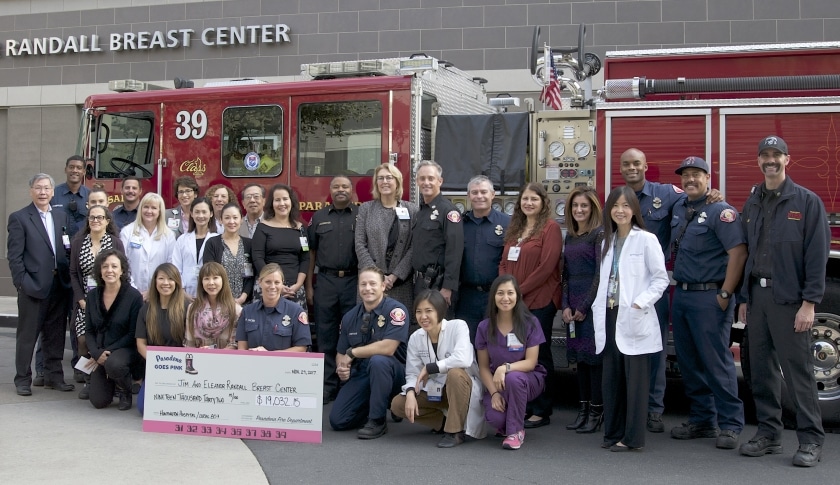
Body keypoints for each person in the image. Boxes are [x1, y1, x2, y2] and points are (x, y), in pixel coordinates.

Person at [738, 135, 829, 467]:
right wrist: (745, 298)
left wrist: (810, 303)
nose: (770, 160)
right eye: (765, 155)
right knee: (760, 371)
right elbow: (747, 251)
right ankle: (769, 434)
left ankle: (810, 441)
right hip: (758, 297)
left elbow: (817, 255)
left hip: (790, 300)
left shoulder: (806, 202)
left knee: (798, 372)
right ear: (759, 160)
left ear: (787, 159)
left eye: (777, 154)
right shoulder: (753, 201)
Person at [668, 156, 747, 449]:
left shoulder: (721, 212)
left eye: (696, 175)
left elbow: (737, 254)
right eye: (685, 175)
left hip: (710, 297)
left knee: (716, 362)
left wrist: (726, 294)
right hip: (684, 295)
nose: (690, 180)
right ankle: (702, 420)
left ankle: (730, 424)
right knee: (688, 363)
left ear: (708, 178)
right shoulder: (681, 207)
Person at [593, 186, 669, 452]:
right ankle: (612, 433)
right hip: (610, 315)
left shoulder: (646, 239)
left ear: (634, 209)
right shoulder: (607, 241)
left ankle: (633, 438)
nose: (620, 211)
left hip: (634, 315)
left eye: (626, 206)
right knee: (611, 379)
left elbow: (661, 279)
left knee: (634, 382)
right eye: (615, 206)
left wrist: (640, 302)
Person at [498, 183, 562, 429]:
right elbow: (503, 262)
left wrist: (515, 292)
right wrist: (505, 289)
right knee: (519, 354)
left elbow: (546, 267)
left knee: (540, 356)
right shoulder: (516, 228)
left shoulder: (551, 228)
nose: (529, 203)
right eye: (525, 199)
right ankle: (524, 403)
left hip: (539, 302)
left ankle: (542, 409)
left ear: (543, 202)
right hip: (515, 303)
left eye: (534, 199)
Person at [391, 289, 486, 447]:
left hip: (462, 389)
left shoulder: (458, 326)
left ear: (440, 311)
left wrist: (431, 368)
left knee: (455, 373)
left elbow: (463, 359)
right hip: (436, 391)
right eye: (419, 312)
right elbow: (412, 373)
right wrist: (409, 393)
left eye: (429, 311)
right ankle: (443, 423)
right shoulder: (416, 337)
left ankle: (455, 431)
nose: (423, 316)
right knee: (397, 404)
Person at [8, 173, 74, 396]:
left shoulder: (61, 216)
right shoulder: (19, 218)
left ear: (53, 192)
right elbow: (14, 257)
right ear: (31, 191)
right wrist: (22, 283)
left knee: (55, 335)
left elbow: (65, 248)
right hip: (33, 287)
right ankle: (22, 379)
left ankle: (54, 376)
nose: (43, 192)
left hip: (59, 285)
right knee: (28, 336)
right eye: (38, 188)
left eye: (47, 188)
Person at [329, 267, 409, 439]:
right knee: (338, 420)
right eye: (363, 284)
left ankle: (378, 420)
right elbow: (341, 352)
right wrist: (342, 368)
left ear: (383, 286)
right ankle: (376, 403)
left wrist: (353, 353)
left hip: (395, 373)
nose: (367, 288)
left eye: (373, 283)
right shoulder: (350, 317)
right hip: (364, 373)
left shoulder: (396, 311)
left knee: (378, 361)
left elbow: (388, 348)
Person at [475, 274, 546, 450]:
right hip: (498, 384)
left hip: (527, 379)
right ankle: (507, 423)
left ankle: (516, 432)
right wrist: (494, 394)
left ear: (518, 296)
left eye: (510, 293)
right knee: (495, 418)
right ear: (493, 297)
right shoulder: (484, 327)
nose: (505, 298)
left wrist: (505, 368)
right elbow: (483, 367)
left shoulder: (530, 323)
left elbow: (530, 362)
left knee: (513, 378)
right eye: (500, 293)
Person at [306, 176, 359, 403]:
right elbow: (311, 254)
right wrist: (309, 284)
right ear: (330, 191)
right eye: (336, 187)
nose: (340, 190)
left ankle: (350, 384)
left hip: (354, 281)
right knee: (326, 335)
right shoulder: (319, 217)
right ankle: (328, 385)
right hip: (325, 281)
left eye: (345, 187)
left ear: (351, 190)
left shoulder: (360, 215)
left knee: (353, 334)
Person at [561, 187, 605, 434]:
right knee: (580, 362)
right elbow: (565, 274)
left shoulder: (599, 235)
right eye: (575, 205)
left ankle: (597, 411)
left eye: (584, 206)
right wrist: (566, 305)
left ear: (594, 208)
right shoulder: (570, 236)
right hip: (573, 305)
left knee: (594, 361)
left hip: (591, 304)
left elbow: (600, 275)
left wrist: (584, 306)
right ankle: (583, 410)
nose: (579, 210)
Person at [69, 204, 125, 400]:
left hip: (110, 301)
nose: (95, 221)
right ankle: (89, 380)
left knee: (108, 340)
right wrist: (80, 299)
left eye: (100, 217)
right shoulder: (78, 243)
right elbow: (74, 274)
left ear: (107, 221)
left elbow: (122, 272)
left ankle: (113, 380)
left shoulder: (115, 243)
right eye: (92, 218)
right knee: (84, 341)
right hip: (85, 302)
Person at [84, 249, 144, 410]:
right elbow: (88, 331)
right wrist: (97, 353)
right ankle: (111, 382)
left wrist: (106, 352)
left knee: (114, 364)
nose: (109, 270)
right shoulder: (92, 296)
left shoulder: (133, 297)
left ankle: (125, 390)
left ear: (122, 270)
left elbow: (133, 334)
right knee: (98, 402)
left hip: (126, 350)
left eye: (114, 266)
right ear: (99, 271)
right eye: (105, 266)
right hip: (101, 352)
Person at [355, 163, 418, 315]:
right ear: (376, 183)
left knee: (399, 327)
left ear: (397, 182)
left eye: (389, 178)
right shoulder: (366, 209)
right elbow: (359, 244)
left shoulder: (412, 210)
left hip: (400, 284)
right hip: (371, 285)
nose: (385, 182)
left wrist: (394, 276)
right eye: (380, 178)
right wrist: (377, 277)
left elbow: (414, 247)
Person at [49, 155, 91, 383]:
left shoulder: (89, 196)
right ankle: (45, 369)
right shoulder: (54, 194)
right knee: (52, 322)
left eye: (79, 168)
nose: (75, 170)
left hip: (81, 270)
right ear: (65, 169)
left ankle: (79, 367)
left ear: (84, 171)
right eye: (71, 167)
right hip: (58, 267)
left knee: (78, 323)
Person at [455, 175, 510, 342]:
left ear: (493, 194)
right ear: (468, 195)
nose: (479, 196)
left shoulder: (508, 223)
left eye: (484, 192)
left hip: (495, 296)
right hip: (466, 297)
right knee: (467, 345)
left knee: (495, 342)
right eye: (475, 192)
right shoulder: (459, 224)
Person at [135, 263, 188, 415]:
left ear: (177, 282)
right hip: (156, 366)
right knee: (144, 409)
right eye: (161, 278)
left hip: (180, 367)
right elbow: (140, 344)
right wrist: (156, 363)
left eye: (170, 279)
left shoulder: (187, 307)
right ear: (155, 282)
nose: (166, 283)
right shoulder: (146, 309)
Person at [411, 160, 463, 310]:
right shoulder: (421, 211)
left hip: (439, 285)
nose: (426, 182)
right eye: (422, 178)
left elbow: (455, 252)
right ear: (417, 181)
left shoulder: (449, 212)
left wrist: (448, 287)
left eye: (431, 178)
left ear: (440, 181)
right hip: (421, 283)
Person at [252, 184, 310, 309]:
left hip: (294, 289)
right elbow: (257, 257)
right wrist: (274, 283)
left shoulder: (300, 228)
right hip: (269, 287)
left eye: (285, 199)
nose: (282, 203)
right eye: (277, 200)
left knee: (296, 327)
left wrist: (298, 285)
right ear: (271, 204)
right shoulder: (263, 227)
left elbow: (305, 259)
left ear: (291, 201)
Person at [237, 264, 311, 352]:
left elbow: (301, 348)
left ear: (282, 283)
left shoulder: (296, 311)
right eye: (268, 282)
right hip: (252, 364)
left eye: (277, 282)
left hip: (285, 365)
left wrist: (269, 355)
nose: (272, 287)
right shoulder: (247, 311)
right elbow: (242, 349)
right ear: (260, 282)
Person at [120, 193, 177, 297]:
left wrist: (152, 291)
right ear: (140, 209)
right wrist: (134, 289)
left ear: (160, 211)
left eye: (154, 208)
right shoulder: (127, 232)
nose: (149, 211)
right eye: (146, 207)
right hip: (130, 292)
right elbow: (123, 263)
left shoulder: (169, 235)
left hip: (159, 293)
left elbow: (170, 264)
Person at [204, 202, 254, 306]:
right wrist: (224, 298)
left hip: (245, 303)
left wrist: (243, 297)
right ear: (221, 220)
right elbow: (209, 273)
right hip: (219, 302)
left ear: (241, 220)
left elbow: (251, 275)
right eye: (227, 218)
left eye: (235, 217)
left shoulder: (249, 244)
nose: (232, 221)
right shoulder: (212, 243)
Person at [185, 262, 242, 349]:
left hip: (226, 359)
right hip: (200, 358)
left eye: (215, 278)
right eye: (206, 278)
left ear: (223, 280)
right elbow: (189, 343)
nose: (211, 283)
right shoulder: (192, 308)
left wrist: (214, 355)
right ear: (201, 282)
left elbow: (236, 344)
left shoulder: (236, 310)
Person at [170, 197, 218, 298]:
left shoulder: (217, 239)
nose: (200, 216)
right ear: (191, 214)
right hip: (184, 294)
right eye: (197, 212)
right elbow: (176, 267)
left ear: (211, 214)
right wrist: (182, 291)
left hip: (210, 294)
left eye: (204, 212)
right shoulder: (182, 240)